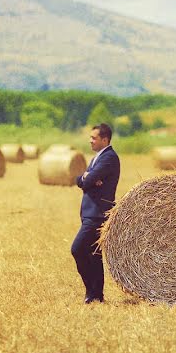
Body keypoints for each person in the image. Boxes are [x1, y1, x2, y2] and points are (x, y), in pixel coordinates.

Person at [71, 123, 120, 304]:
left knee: (77, 249)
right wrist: (86, 178)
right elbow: (82, 179)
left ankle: (91, 292)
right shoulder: (98, 158)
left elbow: (86, 180)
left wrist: (87, 178)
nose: (90, 141)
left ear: (104, 140)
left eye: (94, 138)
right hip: (91, 213)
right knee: (93, 254)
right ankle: (96, 295)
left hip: (97, 215)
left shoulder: (109, 158)